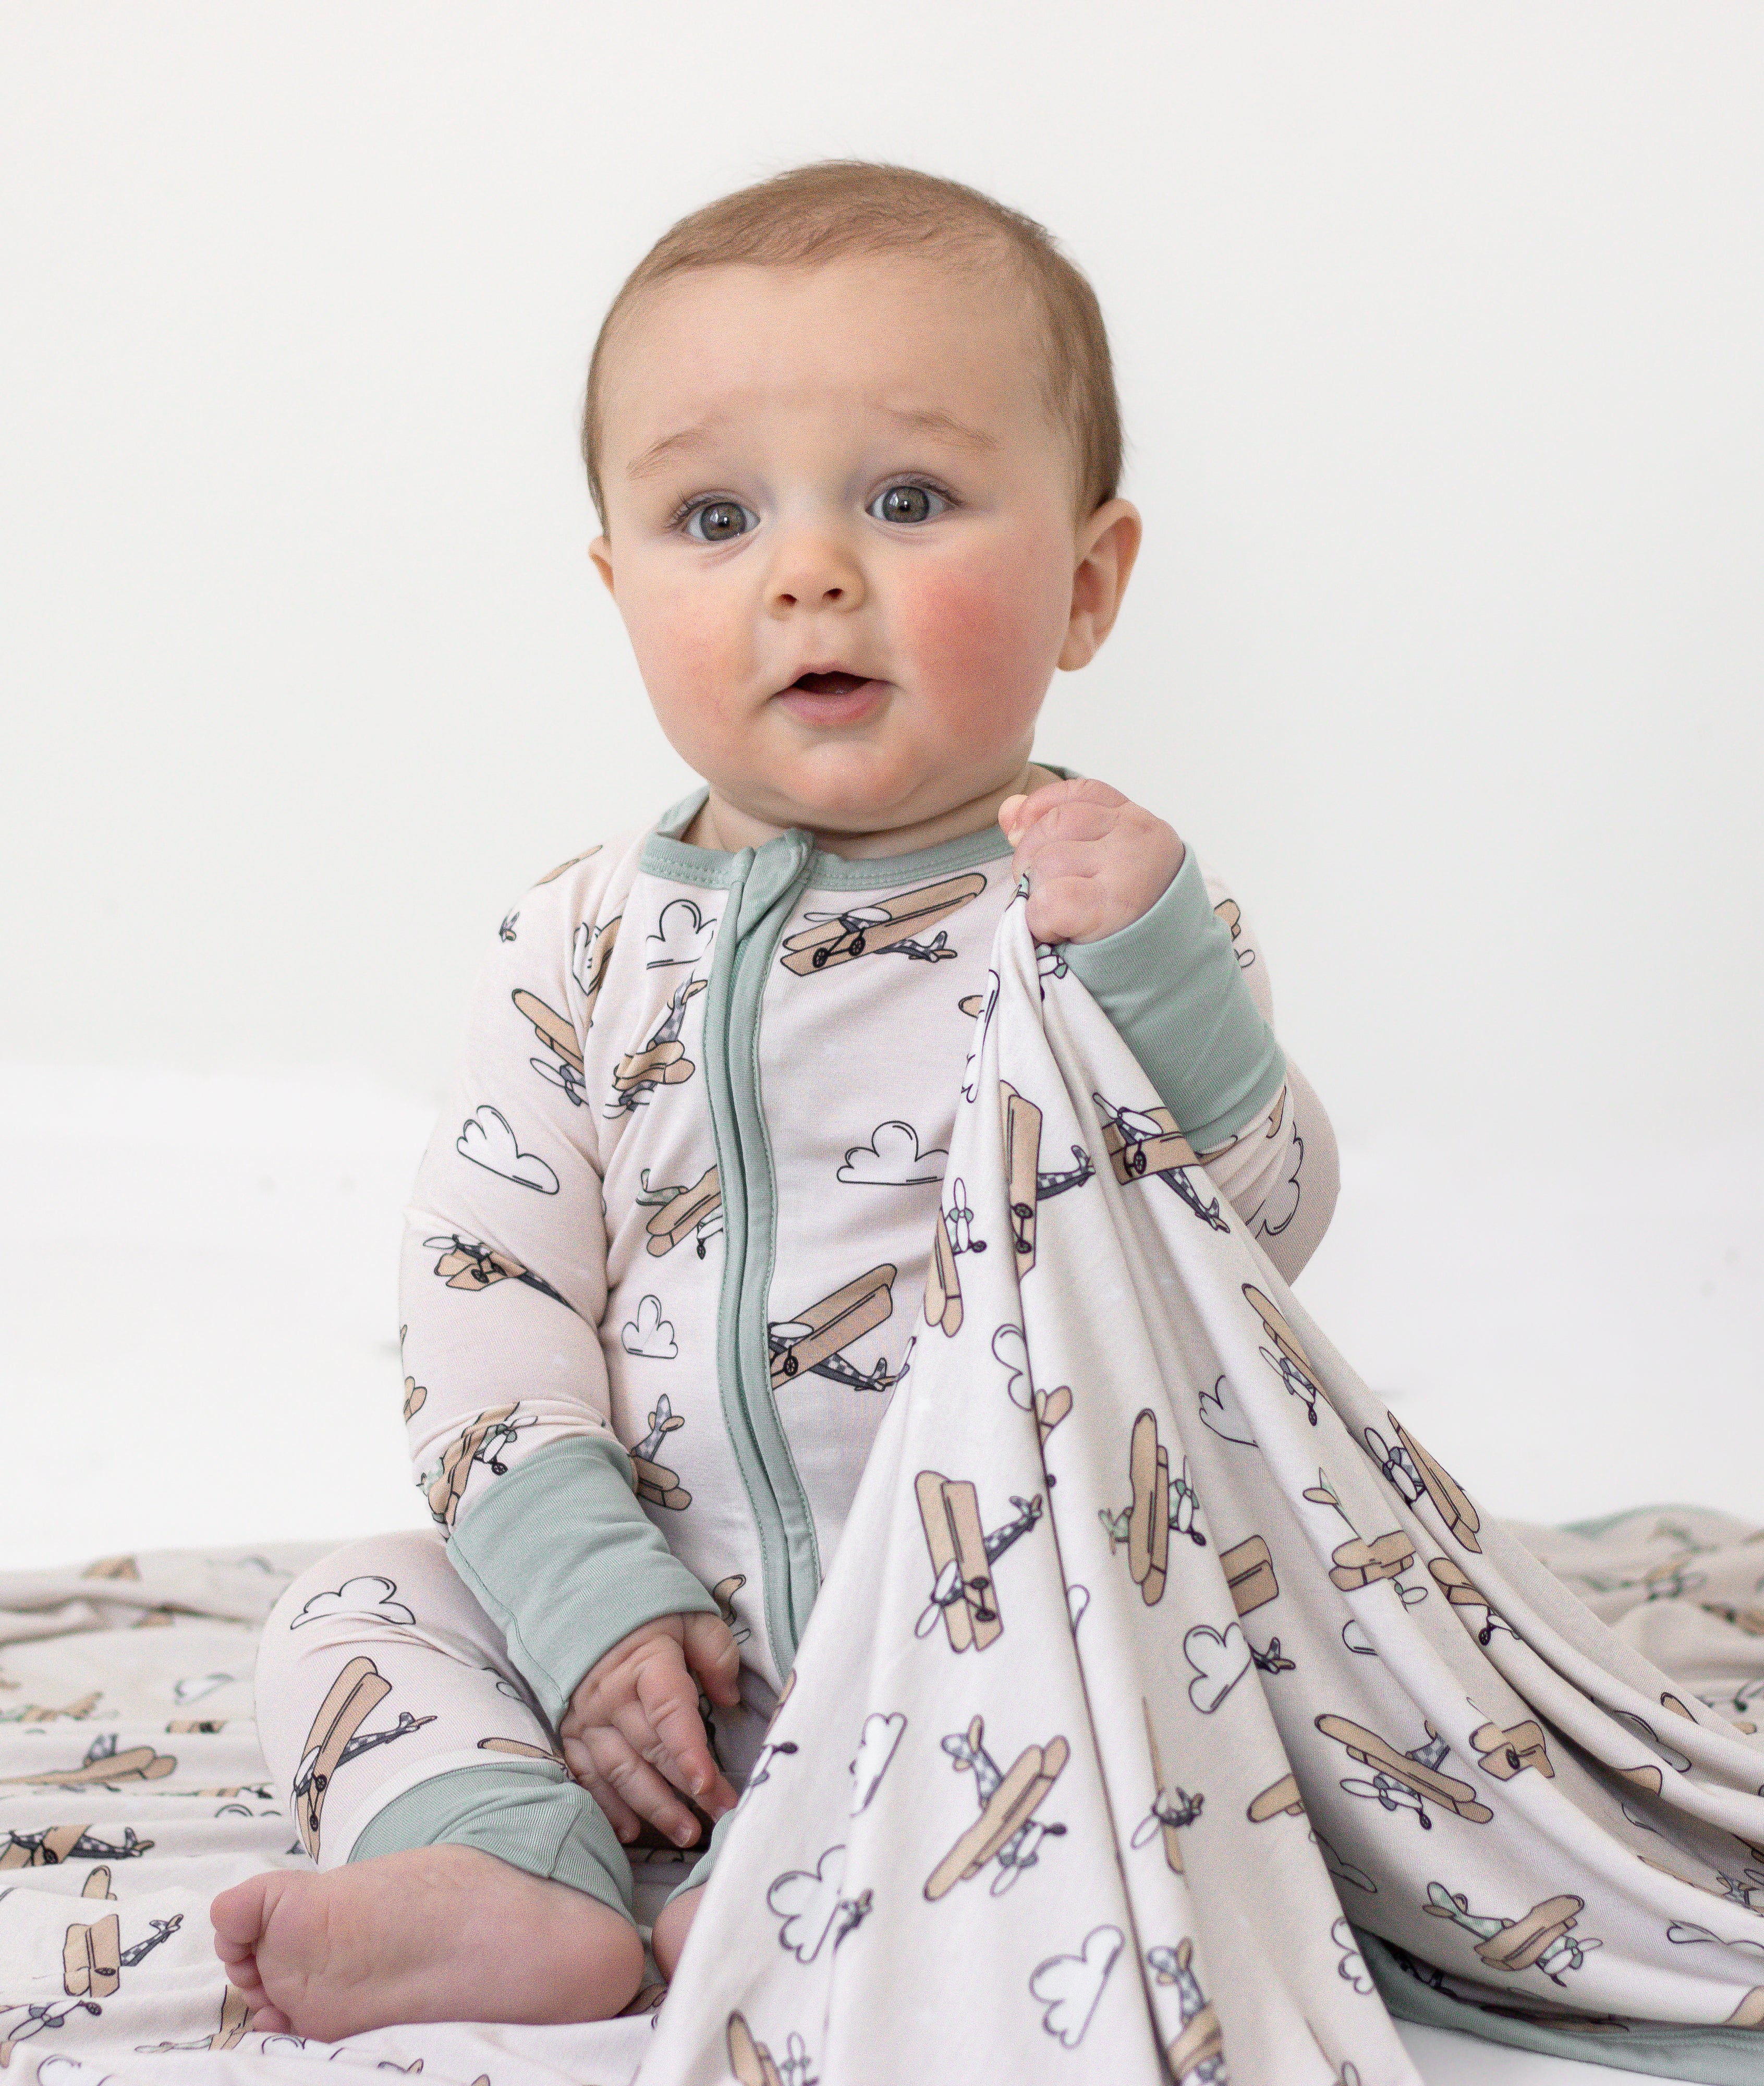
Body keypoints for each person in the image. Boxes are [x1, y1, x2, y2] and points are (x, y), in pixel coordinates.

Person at [211, 159, 1340, 2039]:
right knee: (357, 1607)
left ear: (1086, 584)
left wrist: (1168, 984)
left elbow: (1268, 1235)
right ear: (619, 586)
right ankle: (506, 1867)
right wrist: (587, 1607)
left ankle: (842, 1885)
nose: (809, 571)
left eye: (907, 499)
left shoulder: (1104, 911)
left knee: (1202, 1678)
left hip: (999, 1625)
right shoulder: (576, 942)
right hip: (659, 1651)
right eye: (715, 516)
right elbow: (484, 1295)